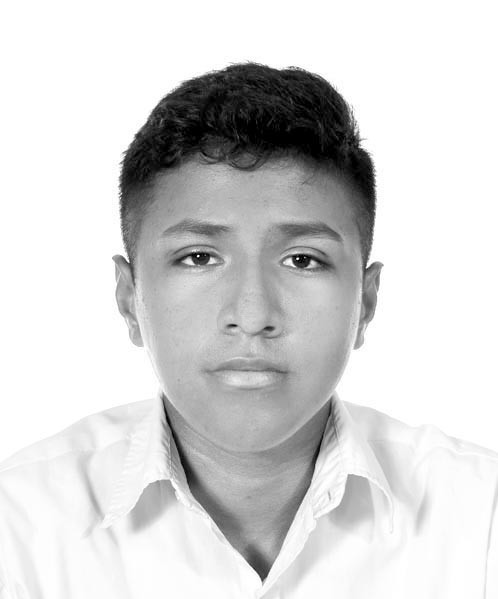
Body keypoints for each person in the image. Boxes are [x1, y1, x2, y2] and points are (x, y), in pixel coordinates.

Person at [0, 62, 496, 598]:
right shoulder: (21, 525)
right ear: (128, 298)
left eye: (303, 259)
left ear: (367, 301)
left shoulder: (479, 517)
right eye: (198, 257)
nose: (253, 314)